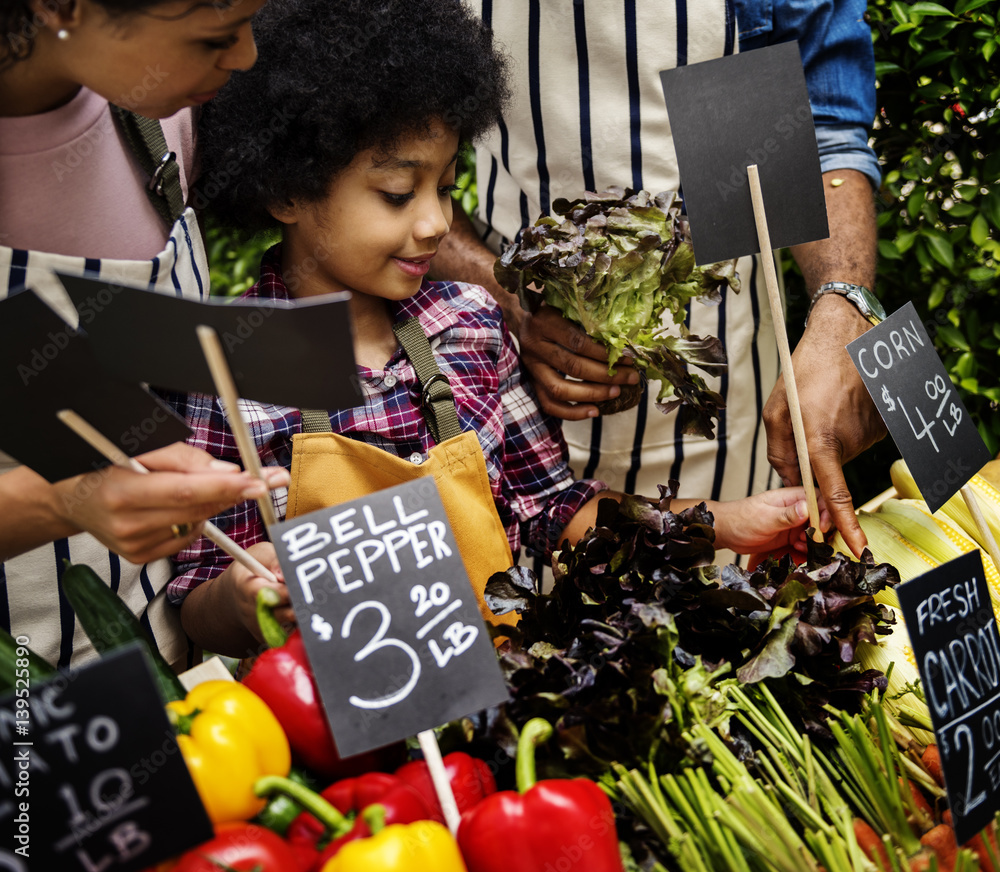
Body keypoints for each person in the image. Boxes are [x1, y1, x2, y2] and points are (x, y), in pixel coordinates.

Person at [167, 0, 830, 658]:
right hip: (329, 738)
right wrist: (243, 596)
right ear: (286, 191)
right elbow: (196, 597)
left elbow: (559, 513)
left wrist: (727, 524)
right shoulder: (230, 366)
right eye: (400, 193)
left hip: (498, 709)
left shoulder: (469, 323)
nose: (432, 223)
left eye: (447, 188)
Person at [432, 1, 884, 563]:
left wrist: (843, 307)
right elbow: (382, 169)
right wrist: (510, 306)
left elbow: (823, 133)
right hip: (514, 401)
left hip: (730, 403)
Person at [0, 0, 289, 670]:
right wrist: (62, 503)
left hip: (162, 677)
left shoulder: (157, 122)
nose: (247, 55)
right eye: (215, 36)